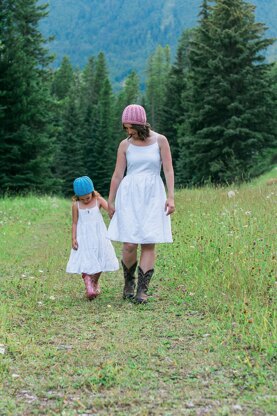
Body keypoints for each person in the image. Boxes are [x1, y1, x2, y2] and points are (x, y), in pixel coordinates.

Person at [107, 104, 175, 303]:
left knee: (148, 241)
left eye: (131, 127)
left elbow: (169, 171)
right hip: (129, 194)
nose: (129, 132)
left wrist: (171, 197)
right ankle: (129, 282)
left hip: (153, 194)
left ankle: (142, 290)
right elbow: (118, 175)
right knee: (129, 243)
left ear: (141, 124)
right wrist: (110, 200)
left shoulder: (160, 141)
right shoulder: (125, 145)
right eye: (125, 128)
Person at [66, 176, 119, 300]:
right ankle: (88, 281)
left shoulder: (98, 200)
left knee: (101, 259)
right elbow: (74, 223)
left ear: (92, 191)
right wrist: (73, 238)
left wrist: (116, 216)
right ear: (77, 196)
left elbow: (111, 211)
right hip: (84, 237)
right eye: (82, 198)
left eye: (87, 198)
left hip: (99, 236)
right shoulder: (76, 205)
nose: (85, 200)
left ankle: (93, 282)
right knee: (87, 258)